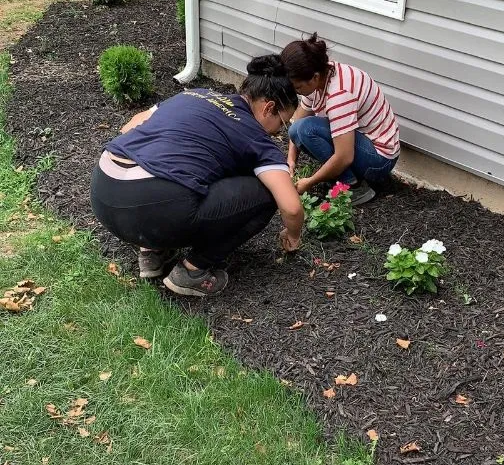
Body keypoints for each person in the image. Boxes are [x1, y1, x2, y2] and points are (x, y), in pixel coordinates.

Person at [90, 55, 303, 297]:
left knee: (180, 167)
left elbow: (130, 126)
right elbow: (292, 207)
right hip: (148, 211)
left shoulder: (195, 94)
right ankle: (191, 272)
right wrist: (293, 236)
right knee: (267, 195)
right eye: (282, 124)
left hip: (103, 190)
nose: (278, 133)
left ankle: (151, 250)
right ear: (269, 108)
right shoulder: (256, 137)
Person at [280, 34, 400, 206]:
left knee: (307, 130)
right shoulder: (321, 74)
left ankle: (354, 187)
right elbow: (298, 120)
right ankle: (346, 177)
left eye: (298, 87)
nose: (296, 92)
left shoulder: (340, 95)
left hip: (380, 159)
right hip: (362, 143)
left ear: (314, 77)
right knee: (297, 130)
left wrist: (311, 181)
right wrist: (291, 160)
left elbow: (344, 157)